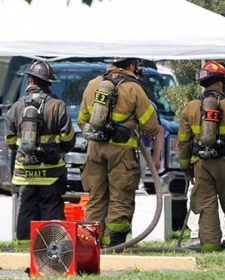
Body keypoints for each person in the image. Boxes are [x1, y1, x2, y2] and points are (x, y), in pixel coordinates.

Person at [77, 57, 160, 247]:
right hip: (121, 152)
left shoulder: (93, 84)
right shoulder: (134, 88)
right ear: (131, 65)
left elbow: (82, 119)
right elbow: (152, 125)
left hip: (94, 150)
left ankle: (90, 245)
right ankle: (113, 244)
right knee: (120, 197)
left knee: (96, 198)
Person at [178, 61, 225, 252]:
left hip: (201, 165)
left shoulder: (190, 108)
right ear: (220, 83)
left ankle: (210, 246)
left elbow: (184, 142)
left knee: (206, 207)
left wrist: (185, 167)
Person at [4, 60, 76, 245]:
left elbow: (10, 140)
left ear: (30, 81)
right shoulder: (58, 106)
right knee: (51, 212)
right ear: (49, 82)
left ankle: (25, 250)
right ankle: (52, 251)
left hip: (24, 175)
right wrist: (57, 151)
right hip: (51, 174)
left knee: (26, 212)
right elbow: (68, 138)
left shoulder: (16, 108)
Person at [137, 100, 164, 194]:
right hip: (141, 152)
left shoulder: (114, 99)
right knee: (136, 189)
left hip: (115, 150)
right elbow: (159, 131)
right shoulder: (149, 104)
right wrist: (156, 157)